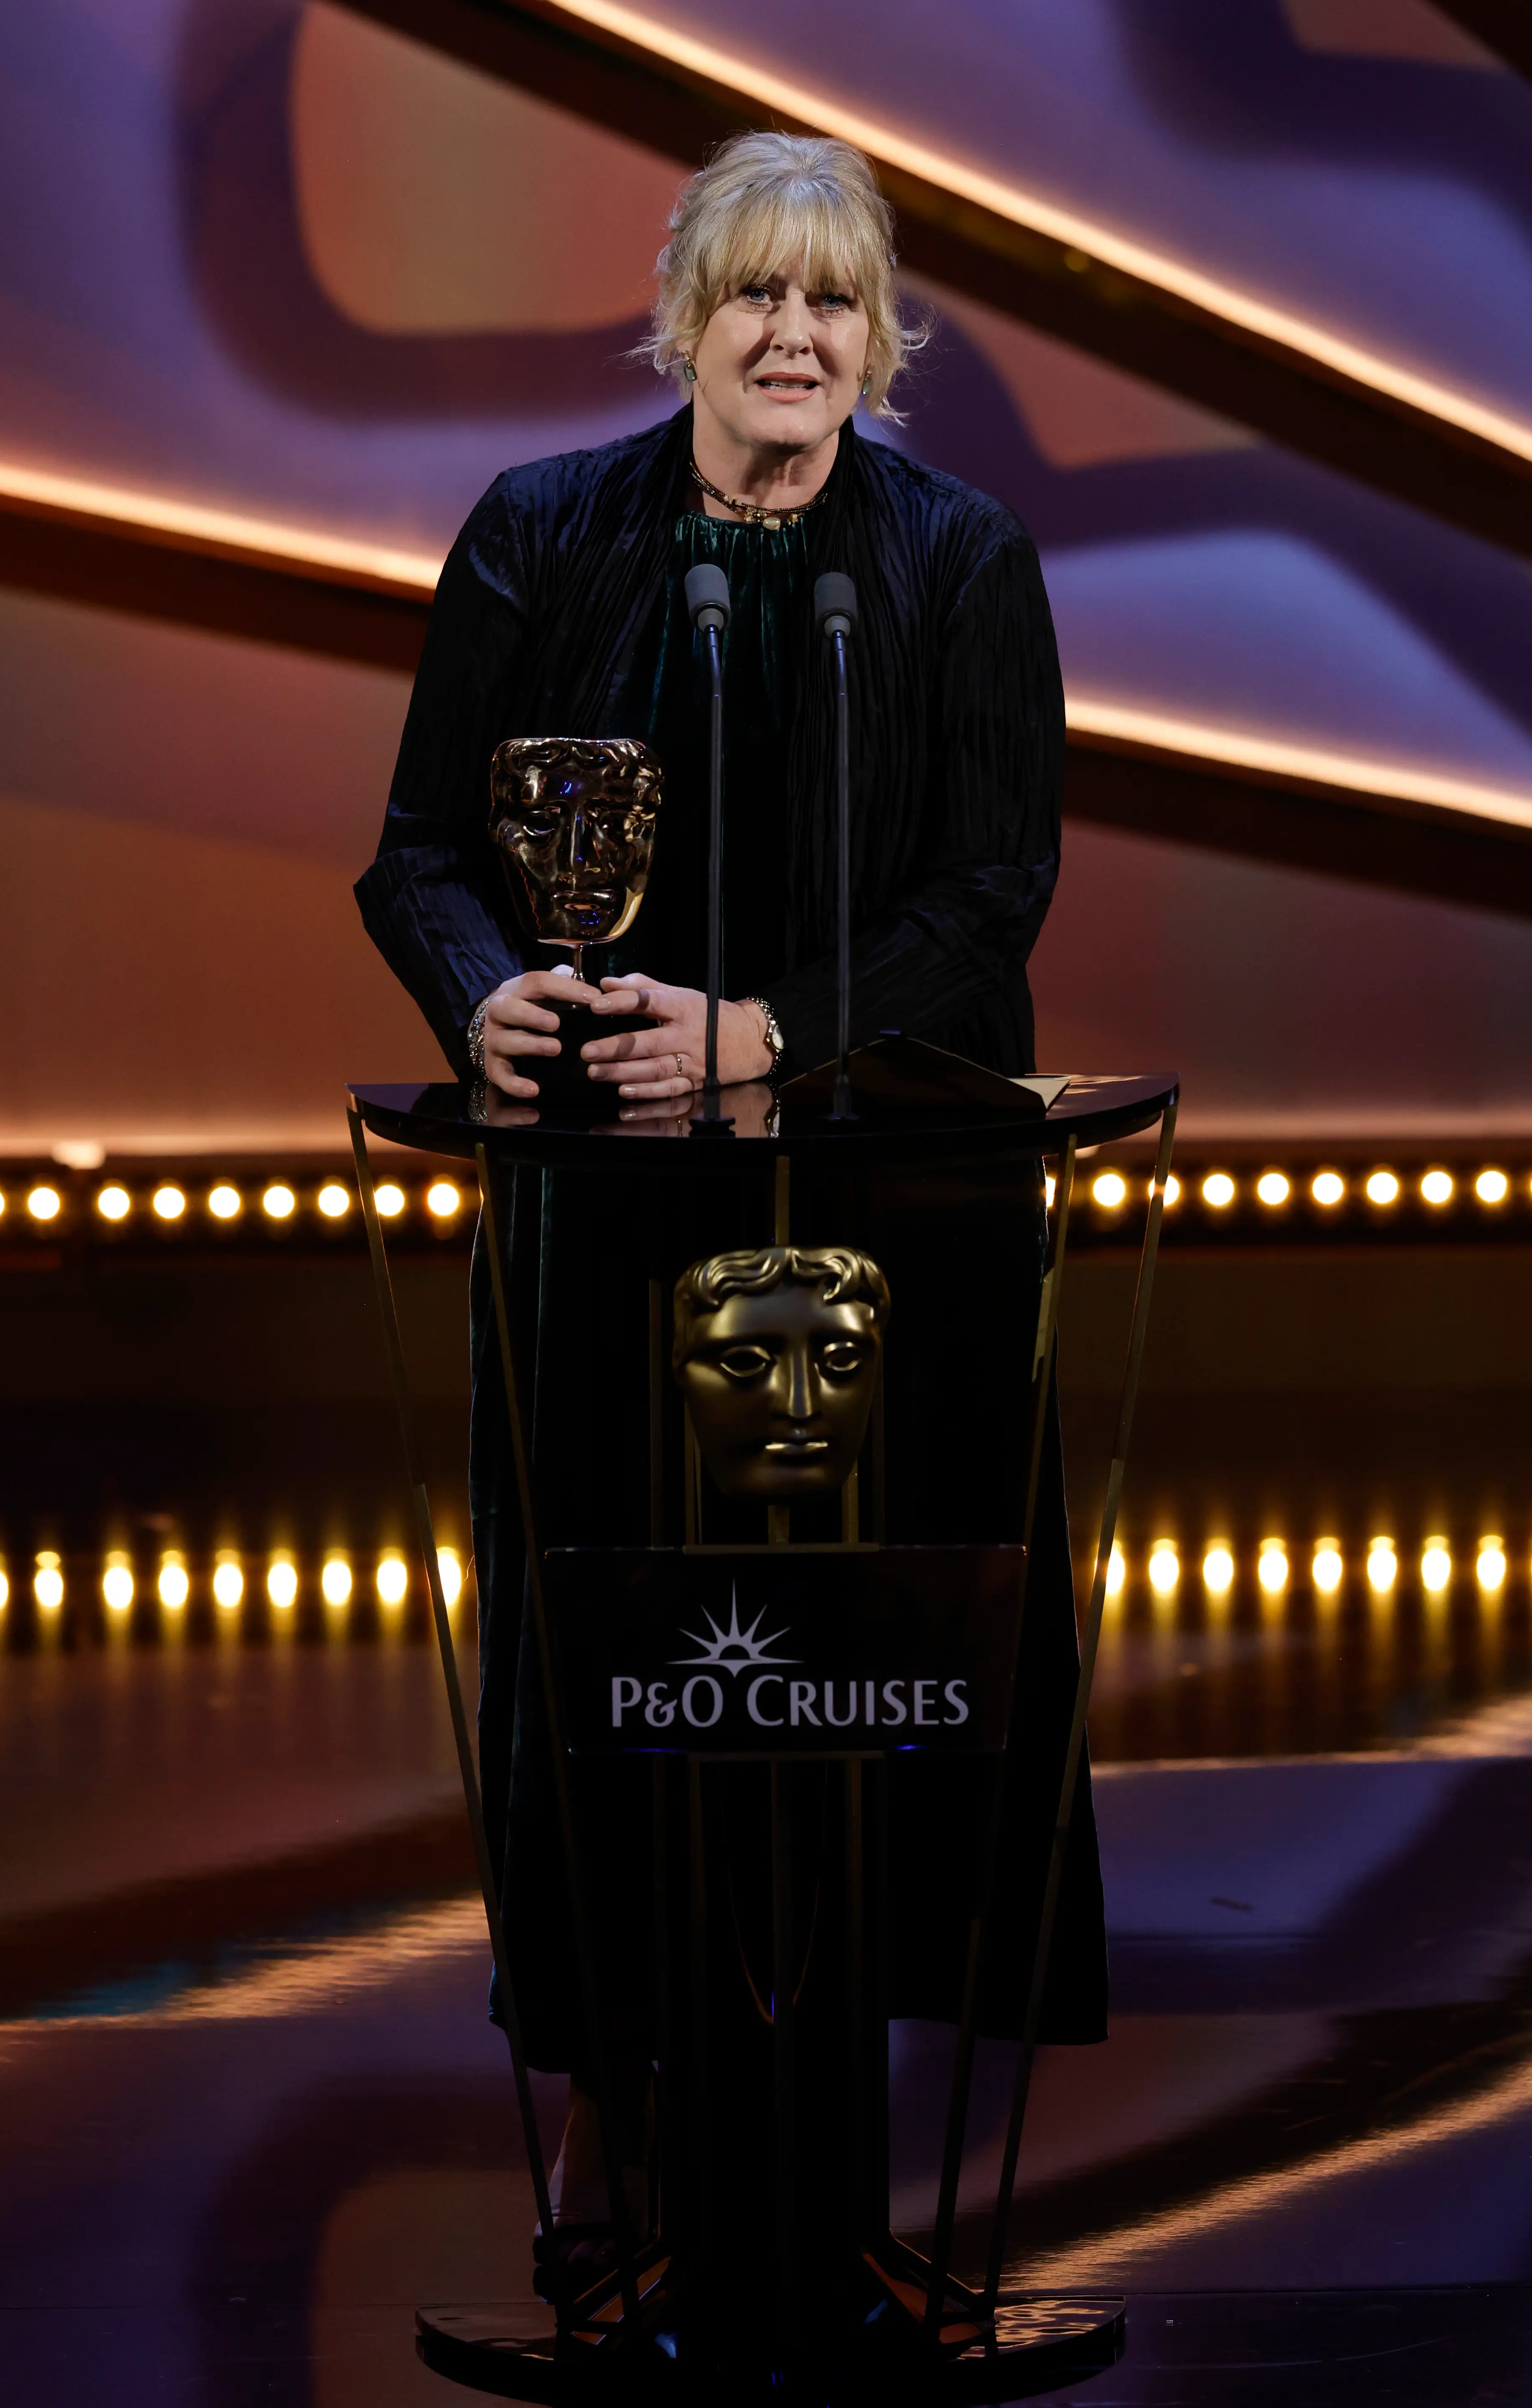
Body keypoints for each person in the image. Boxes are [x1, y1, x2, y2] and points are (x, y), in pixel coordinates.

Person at [355, 130, 1104, 2277]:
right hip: (605, 1197)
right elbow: (416, 850)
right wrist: (491, 995)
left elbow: (992, 894)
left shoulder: (957, 560)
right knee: (613, 1648)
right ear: (682, 316)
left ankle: (841, 2119)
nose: (793, 336)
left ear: (882, 340)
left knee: (872, 1656)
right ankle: (610, 2079)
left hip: (891, 1203)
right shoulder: (539, 532)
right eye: (754, 294)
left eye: (834, 300)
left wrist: (764, 1034)